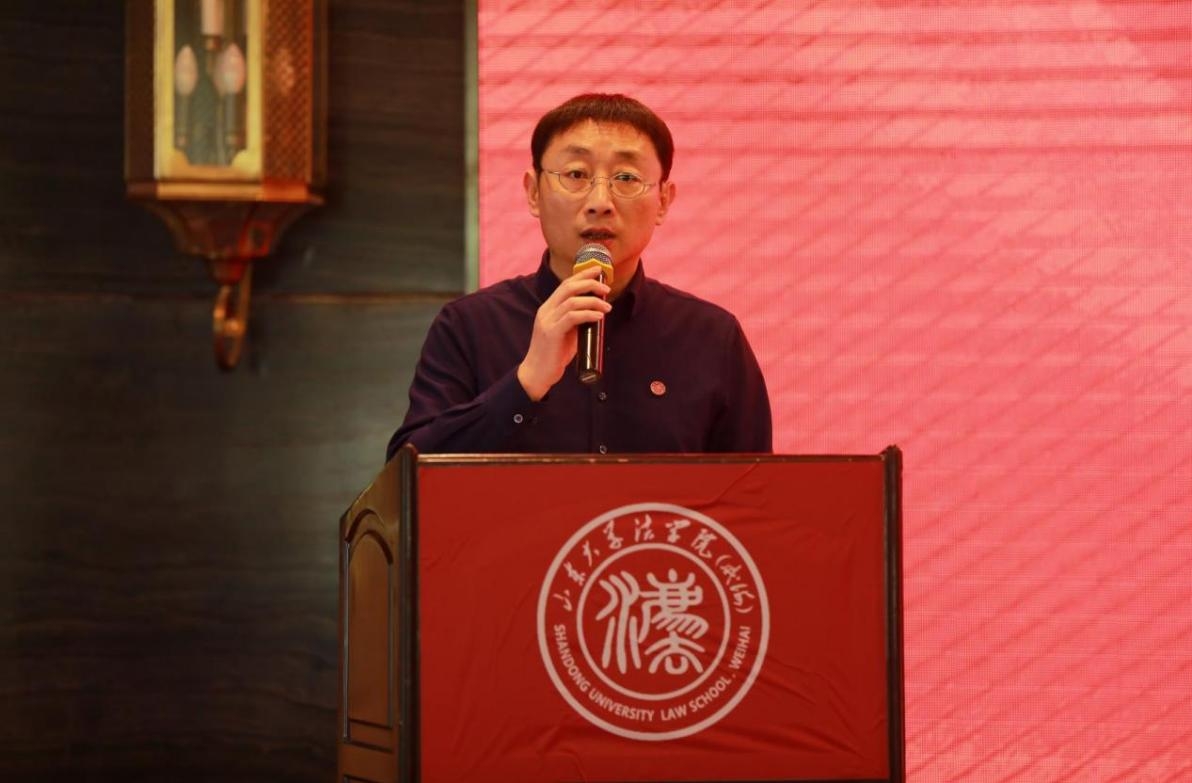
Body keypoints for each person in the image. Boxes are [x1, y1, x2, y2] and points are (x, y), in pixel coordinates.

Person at [387, 93, 771, 459]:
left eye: (626, 178)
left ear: (663, 201)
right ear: (533, 192)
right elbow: (407, 476)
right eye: (576, 174)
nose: (600, 202)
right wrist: (525, 382)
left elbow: (757, 491)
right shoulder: (470, 326)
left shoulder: (713, 337)